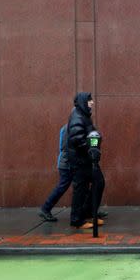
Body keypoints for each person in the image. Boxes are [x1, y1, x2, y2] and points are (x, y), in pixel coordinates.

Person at [67, 92, 106, 229]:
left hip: (88, 159)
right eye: (90, 100)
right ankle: (76, 219)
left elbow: (90, 134)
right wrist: (90, 147)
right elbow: (77, 139)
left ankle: (88, 213)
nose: (92, 102)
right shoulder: (78, 117)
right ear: (84, 101)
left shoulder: (84, 115)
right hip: (80, 160)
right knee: (80, 189)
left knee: (99, 183)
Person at [38, 124, 72, 222]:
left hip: (69, 163)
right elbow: (66, 147)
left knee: (83, 184)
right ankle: (45, 208)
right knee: (62, 186)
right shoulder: (68, 128)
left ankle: (91, 210)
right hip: (67, 164)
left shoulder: (73, 125)